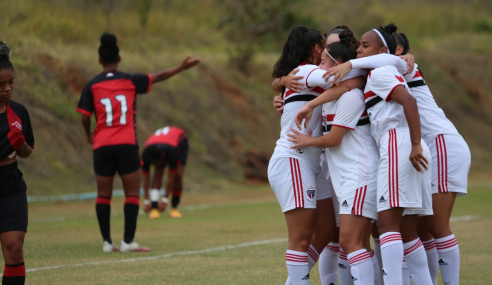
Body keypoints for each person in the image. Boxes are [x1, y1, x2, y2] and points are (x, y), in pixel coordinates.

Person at [76, 33, 199, 252]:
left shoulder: (92, 85)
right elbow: (158, 76)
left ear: (99, 60)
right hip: (126, 144)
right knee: (131, 194)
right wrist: (181, 67)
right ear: (119, 58)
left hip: (102, 145)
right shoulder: (130, 80)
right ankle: (127, 241)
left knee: (103, 195)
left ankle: (106, 242)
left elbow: (85, 116)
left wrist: (88, 134)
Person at [287, 28, 380, 285]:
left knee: (351, 241)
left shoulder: (351, 97)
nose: (319, 65)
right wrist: (290, 95)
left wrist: (307, 140)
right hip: (347, 177)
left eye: (324, 61)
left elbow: (334, 139)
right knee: (355, 242)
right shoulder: (334, 95)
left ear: (337, 65)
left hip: (360, 175)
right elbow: (336, 88)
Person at [0, 41, 34, 285]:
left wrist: (19, 142)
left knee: (14, 249)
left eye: (11, 82)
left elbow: (26, 152)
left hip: (10, 185)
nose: (7, 89)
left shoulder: (19, 112)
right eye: (0, 85)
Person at [141, 126, 188, 219]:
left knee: (178, 175)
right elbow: (145, 179)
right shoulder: (145, 154)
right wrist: (146, 201)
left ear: (163, 156)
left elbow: (170, 179)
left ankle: (174, 207)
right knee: (158, 172)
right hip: (162, 143)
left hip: (180, 142)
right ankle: (154, 207)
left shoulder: (171, 153)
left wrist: (165, 200)